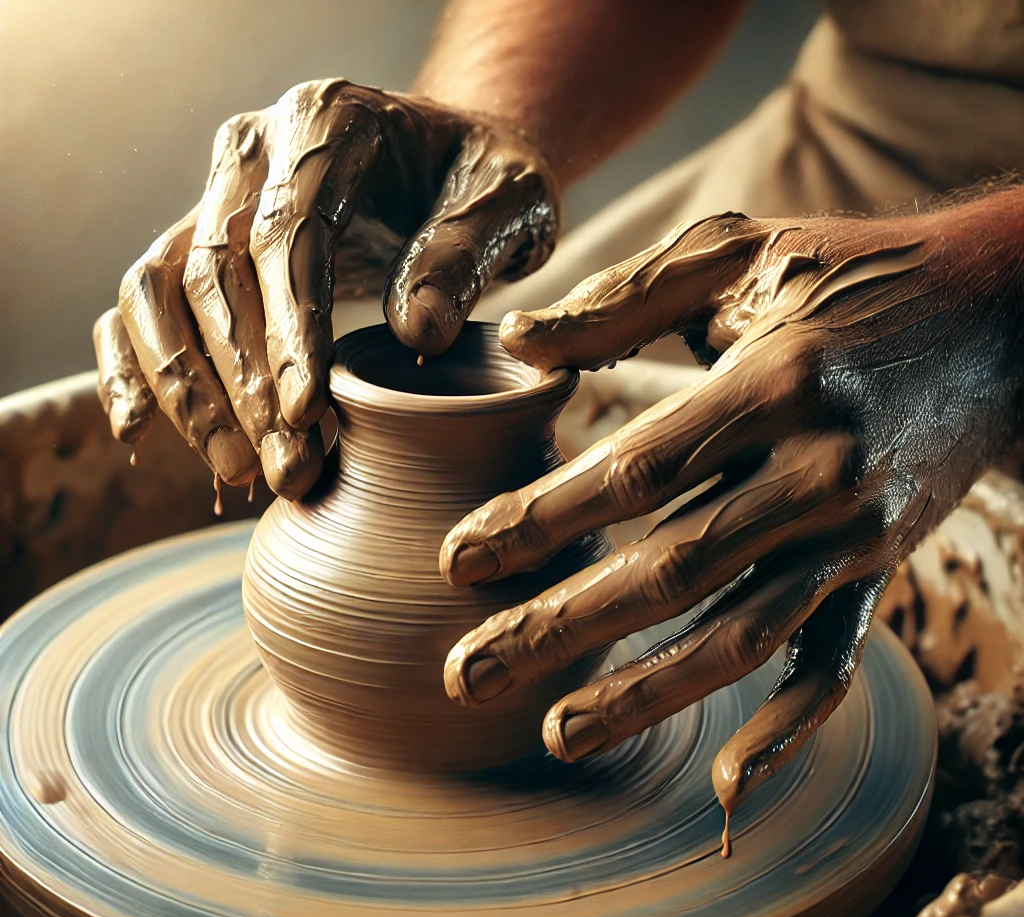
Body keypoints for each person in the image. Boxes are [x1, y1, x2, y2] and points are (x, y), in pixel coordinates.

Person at [92, 0, 1024, 816]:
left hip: (993, 261)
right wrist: (482, 115)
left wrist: (994, 304)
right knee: (537, 330)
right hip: (872, 139)